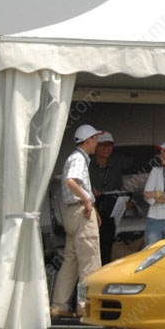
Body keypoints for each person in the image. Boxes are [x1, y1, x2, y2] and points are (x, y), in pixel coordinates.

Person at [50, 124, 102, 319]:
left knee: (70, 262)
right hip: (81, 213)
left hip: (73, 213)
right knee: (89, 262)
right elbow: (71, 181)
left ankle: (60, 305)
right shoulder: (79, 158)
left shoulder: (76, 158)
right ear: (87, 141)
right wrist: (88, 201)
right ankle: (85, 307)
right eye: (95, 139)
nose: (97, 143)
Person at [89, 131, 124, 265]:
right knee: (91, 250)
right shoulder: (88, 165)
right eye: (103, 145)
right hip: (91, 212)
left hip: (109, 215)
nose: (107, 148)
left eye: (109, 145)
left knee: (107, 249)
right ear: (96, 146)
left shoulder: (115, 168)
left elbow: (120, 189)